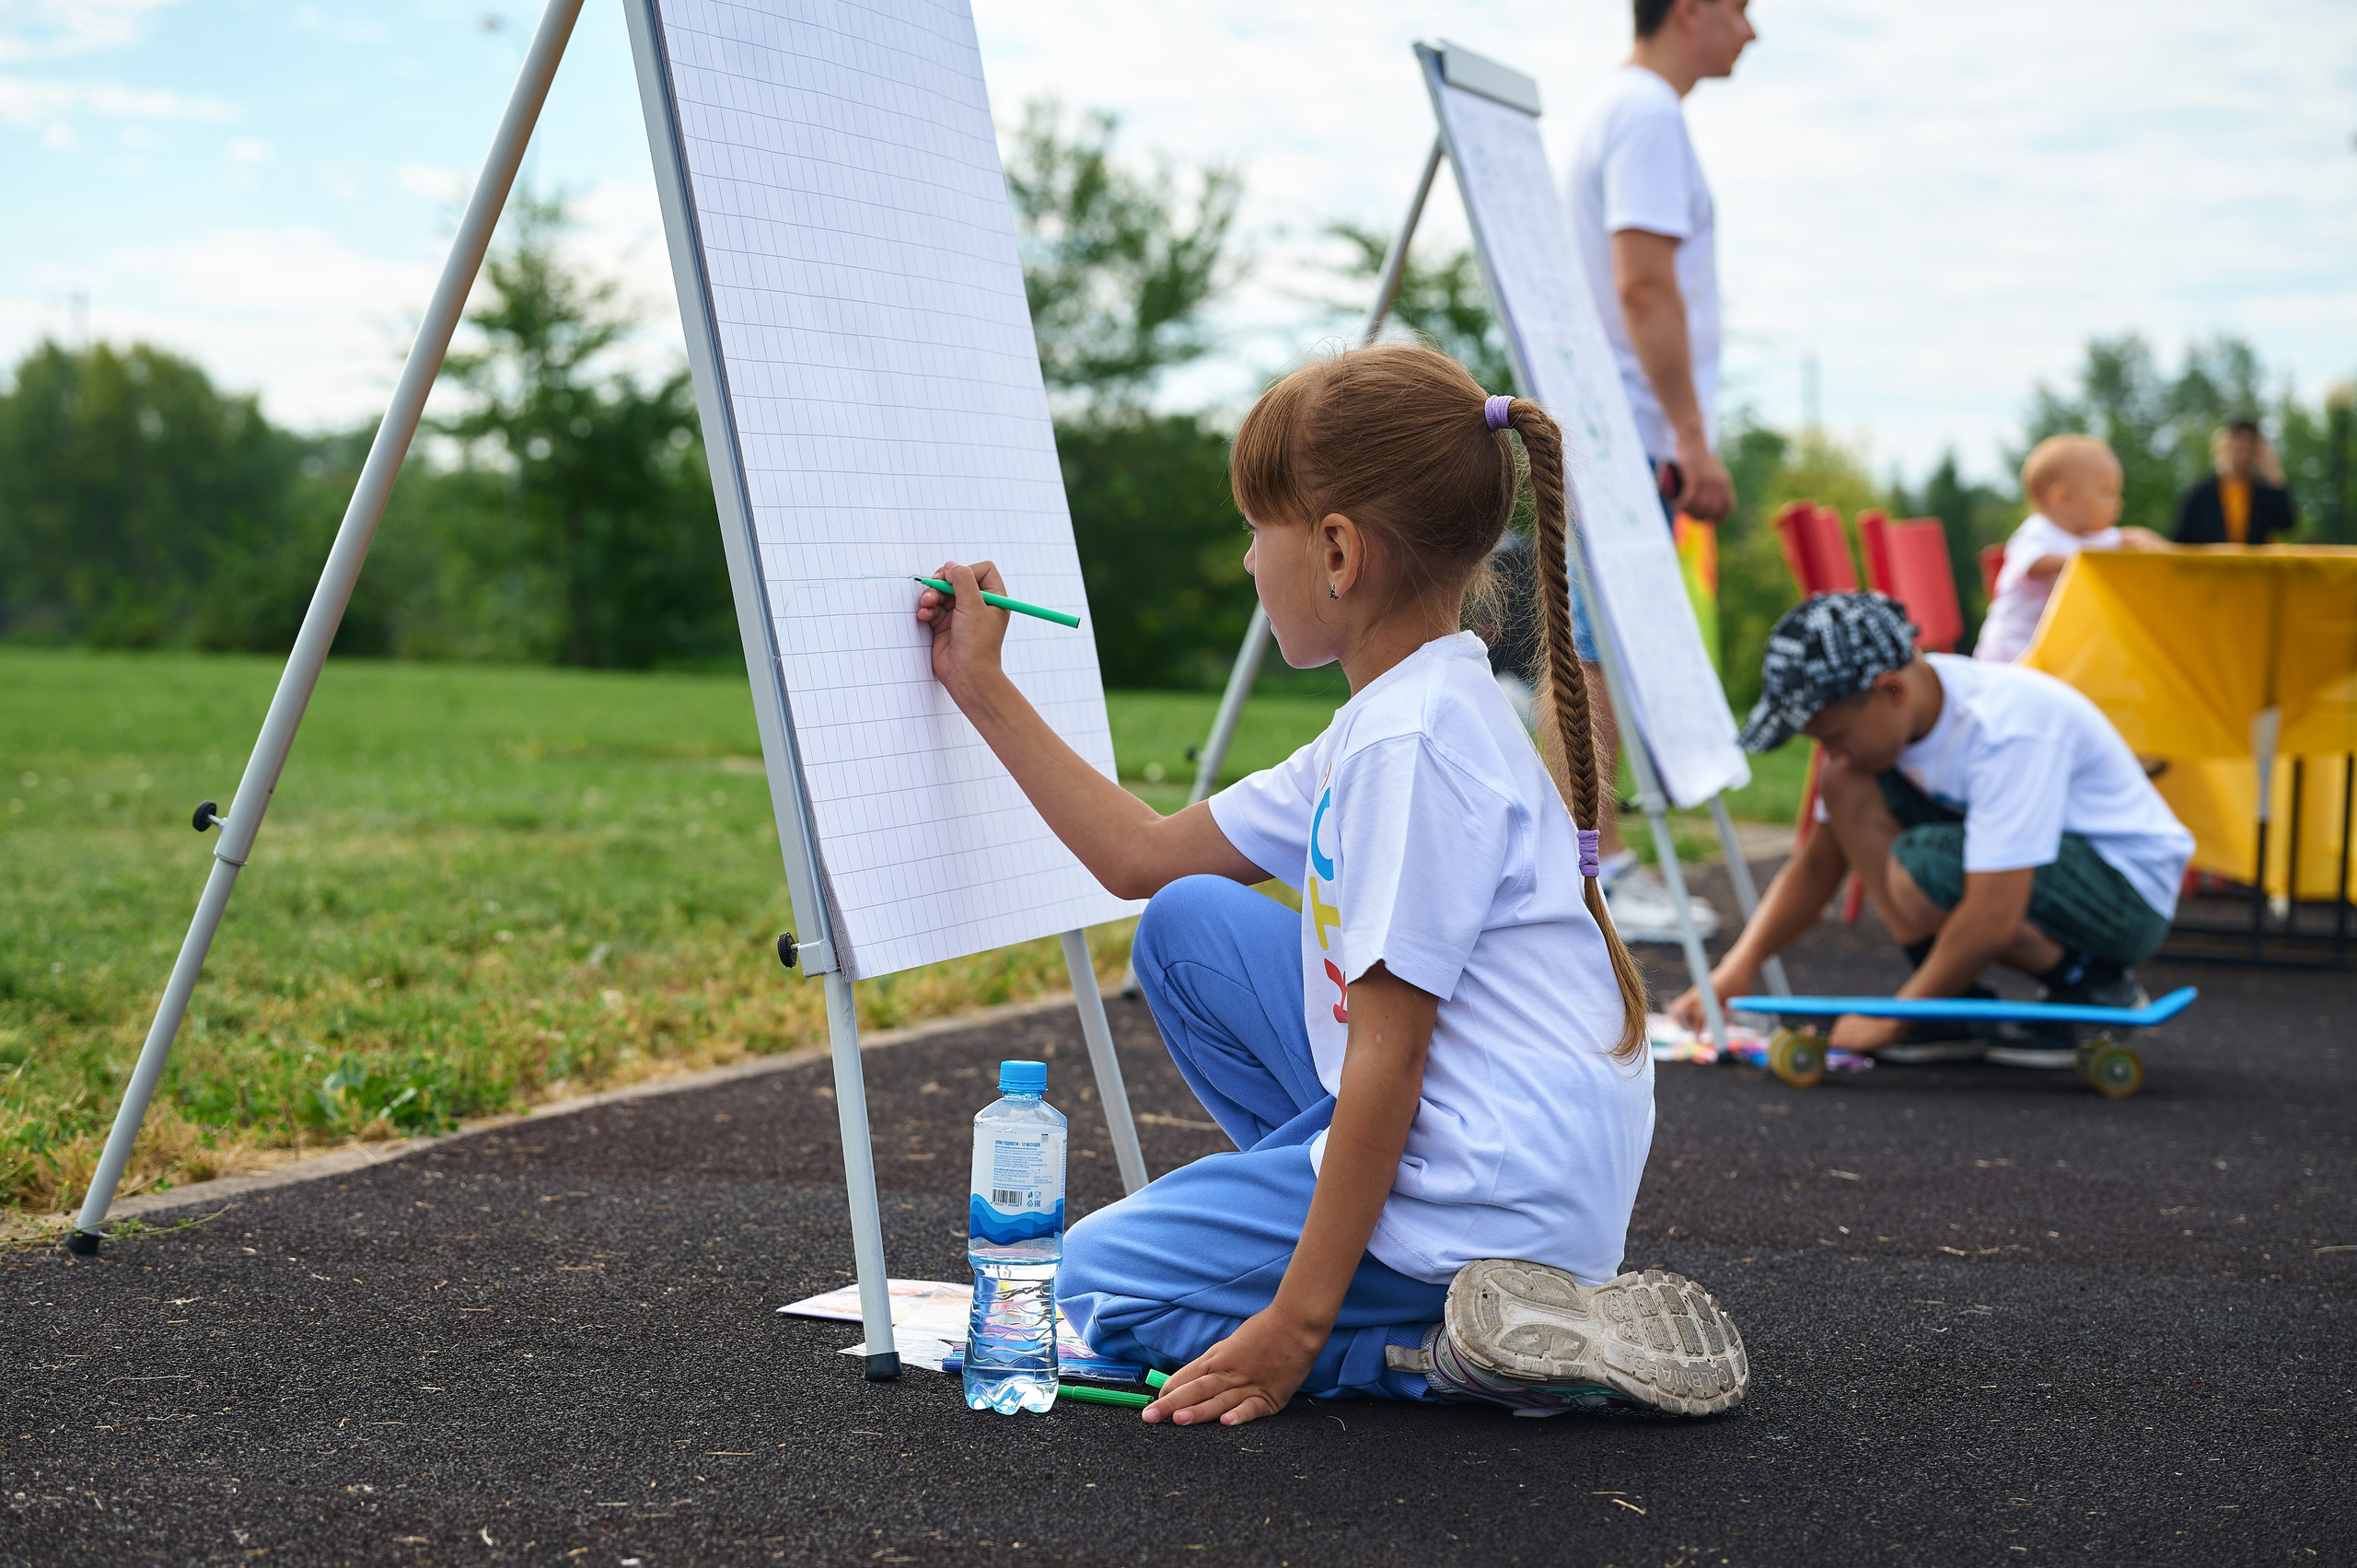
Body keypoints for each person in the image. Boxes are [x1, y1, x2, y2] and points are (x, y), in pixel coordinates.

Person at [917, 343, 1747, 1425]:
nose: (1247, 563)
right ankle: (1341, 1251)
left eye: (1257, 530)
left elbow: (1390, 1057)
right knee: (1187, 923)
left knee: (1093, 1284)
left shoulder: (1411, 746)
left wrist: (1291, 1328)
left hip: (1482, 1203)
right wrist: (978, 681)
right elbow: (1140, 858)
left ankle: (1433, 1345)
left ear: (1339, 552)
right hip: (1515, 1163)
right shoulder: (1407, 708)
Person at [1490, 0, 1754, 943]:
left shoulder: (1623, 109)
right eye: (1742, 9)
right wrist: (1690, 435)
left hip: (1611, 421)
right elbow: (1642, 282)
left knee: (1593, 650)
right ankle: (1580, 874)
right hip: (1626, 428)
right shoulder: (1646, 114)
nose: (1751, 30)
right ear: (1691, 10)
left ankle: (1588, 857)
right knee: (1590, 656)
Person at [1670, 593, 2194, 1053]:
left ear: (1891, 690)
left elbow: (1995, 915)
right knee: (1844, 783)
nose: (1831, 751)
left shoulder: (2006, 731)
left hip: (2128, 894)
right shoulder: (1903, 715)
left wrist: (1894, 1019)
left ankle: (2095, 985)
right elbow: (1815, 867)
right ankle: (1952, 1004)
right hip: (2056, 866)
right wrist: (1736, 969)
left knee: (1921, 865)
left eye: (1836, 735)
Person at [1974, 435, 2166, 665]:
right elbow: (2033, 564)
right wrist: (2084, 561)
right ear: (2063, 498)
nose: (2117, 502)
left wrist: (2155, 545)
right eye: (2106, 492)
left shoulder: (2092, 537)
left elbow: (2129, 538)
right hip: (2011, 652)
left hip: (2053, 653)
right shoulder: (2037, 532)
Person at [2173, 418, 2294, 546]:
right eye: (2237, 444)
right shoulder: (2201, 492)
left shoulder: (2262, 493)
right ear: (2222, 446)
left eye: (2249, 445)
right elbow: (2179, 539)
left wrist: (2273, 470)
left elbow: (2287, 523)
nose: (2243, 452)